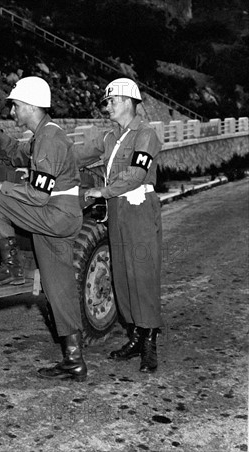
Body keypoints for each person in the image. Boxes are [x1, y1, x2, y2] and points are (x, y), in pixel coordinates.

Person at [0, 76, 86, 382]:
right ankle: (74, 360)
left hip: (54, 213)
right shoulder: (45, 135)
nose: (13, 112)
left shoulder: (49, 139)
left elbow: (39, 195)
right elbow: (17, 153)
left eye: (15, 106)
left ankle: (10, 267)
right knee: (58, 286)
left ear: (30, 106)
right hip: (58, 217)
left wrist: (2, 185)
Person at [75, 77, 163, 373]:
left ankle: (149, 341)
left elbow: (137, 173)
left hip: (138, 208)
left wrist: (104, 190)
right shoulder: (110, 137)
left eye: (112, 101)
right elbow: (77, 155)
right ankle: (135, 335)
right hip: (117, 210)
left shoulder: (146, 135)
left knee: (143, 273)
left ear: (128, 102)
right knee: (122, 275)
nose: (107, 106)